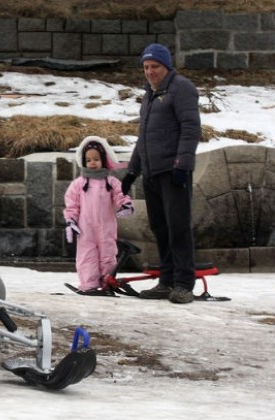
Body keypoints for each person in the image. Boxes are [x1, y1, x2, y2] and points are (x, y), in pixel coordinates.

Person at [121, 43, 201, 304]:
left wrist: (182, 164)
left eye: (154, 66)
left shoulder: (182, 89)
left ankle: (184, 284)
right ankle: (166, 281)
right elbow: (143, 137)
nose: (149, 72)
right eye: (146, 67)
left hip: (173, 171)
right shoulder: (150, 94)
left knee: (178, 227)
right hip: (152, 173)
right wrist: (133, 171)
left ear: (166, 66)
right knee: (160, 228)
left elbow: (190, 129)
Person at [64, 136, 134, 295]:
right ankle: (88, 284)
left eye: (96, 159)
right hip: (85, 227)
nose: (92, 163)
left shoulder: (111, 182)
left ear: (104, 159)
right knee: (87, 255)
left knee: (107, 254)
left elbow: (120, 194)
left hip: (106, 226)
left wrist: (125, 204)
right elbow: (72, 204)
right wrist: (71, 221)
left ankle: (107, 282)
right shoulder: (79, 183)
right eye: (88, 160)